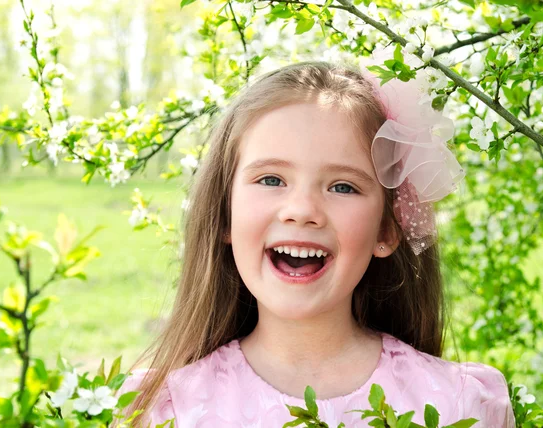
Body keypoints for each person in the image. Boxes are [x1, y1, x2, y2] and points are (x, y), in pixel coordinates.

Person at [117, 50, 515, 428]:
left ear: (386, 229)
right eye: (271, 179)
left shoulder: (458, 404)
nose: (302, 209)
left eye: (343, 186)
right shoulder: (165, 409)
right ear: (225, 214)